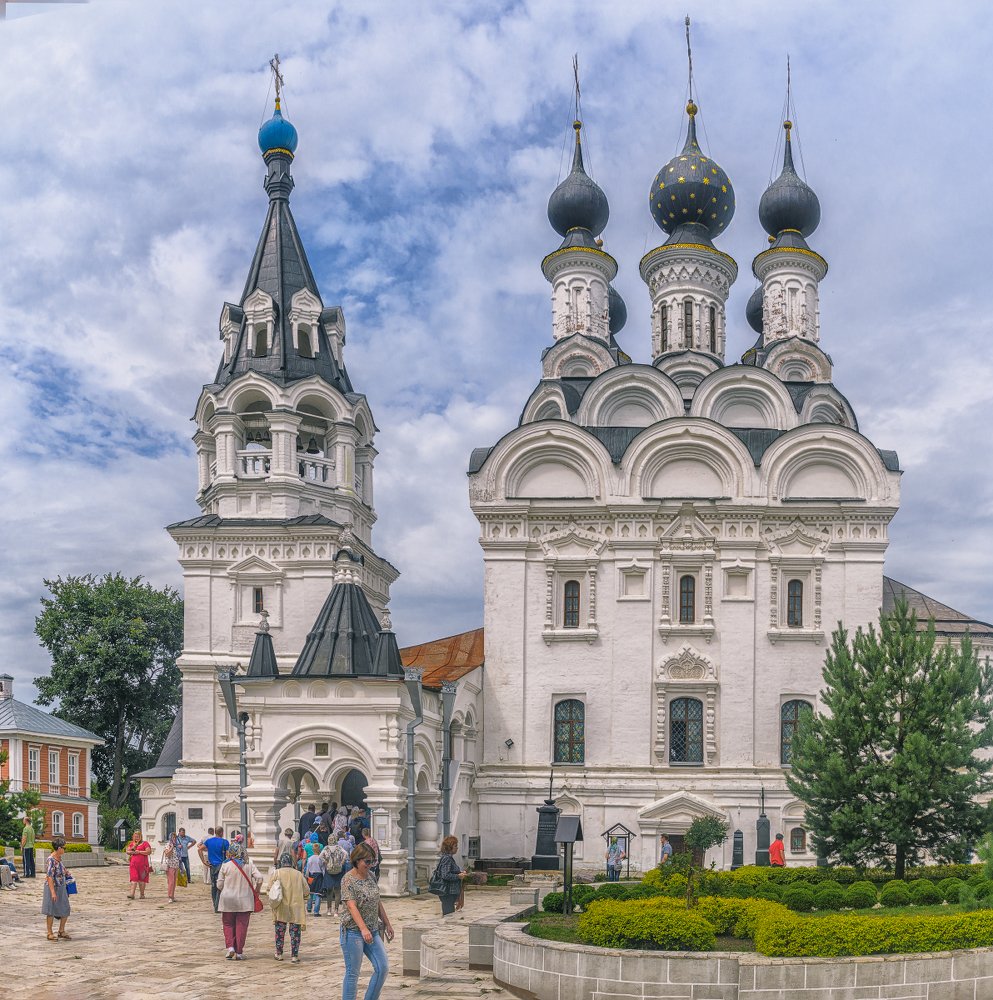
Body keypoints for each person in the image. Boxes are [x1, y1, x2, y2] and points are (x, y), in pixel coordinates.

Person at [340, 842, 394, 1000]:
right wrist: (363, 929)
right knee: (353, 973)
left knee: (382, 967)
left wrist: (387, 923)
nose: (370, 865)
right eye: (367, 861)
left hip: (373, 930)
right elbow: (351, 906)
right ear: (357, 860)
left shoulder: (370, 876)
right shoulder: (347, 880)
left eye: (373, 861)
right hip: (352, 933)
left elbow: (377, 901)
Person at [215, 842, 263, 960]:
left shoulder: (226, 865)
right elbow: (260, 878)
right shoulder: (249, 864)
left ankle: (230, 947)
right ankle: (239, 951)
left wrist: (225, 888)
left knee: (228, 924)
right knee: (242, 925)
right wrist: (256, 890)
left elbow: (219, 884)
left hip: (228, 899)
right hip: (245, 900)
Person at [265, 851, 309, 963]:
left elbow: (269, 889)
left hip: (281, 907)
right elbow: (306, 890)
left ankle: (279, 953)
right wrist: (304, 897)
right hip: (296, 907)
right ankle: (294, 955)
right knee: (295, 933)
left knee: (280, 932)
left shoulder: (276, 873)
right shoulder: (298, 874)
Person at [41, 836, 71, 941]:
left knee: (66, 908)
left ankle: (61, 931)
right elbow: (49, 876)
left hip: (61, 887)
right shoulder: (51, 860)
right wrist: (53, 892)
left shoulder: (59, 859)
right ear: (59, 848)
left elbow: (61, 870)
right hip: (52, 888)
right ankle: (49, 933)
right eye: (64, 848)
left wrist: (67, 873)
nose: (65, 849)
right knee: (51, 910)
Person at [432, 835, 468, 916]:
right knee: (448, 914)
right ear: (450, 847)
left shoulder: (448, 858)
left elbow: (449, 871)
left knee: (449, 912)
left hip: (449, 891)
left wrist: (459, 873)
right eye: (455, 846)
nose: (457, 848)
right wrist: (458, 876)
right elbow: (445, 875)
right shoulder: (447, 859)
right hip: (447, 891)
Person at [199, 827, 231, 912]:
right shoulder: (225, 842)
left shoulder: (209, 841)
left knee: (213, 886)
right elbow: (228, 855)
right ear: (221, 832)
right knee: (220, 885)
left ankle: (215, 905)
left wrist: (203, 861)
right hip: (222, 865)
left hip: (212, 865)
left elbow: (199, 849)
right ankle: (218, 905)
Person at [320, 837, 348, 916]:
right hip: (338, 871)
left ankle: (329, 909)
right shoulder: (339, 848)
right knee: (337, 891)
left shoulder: (326, 848)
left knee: (329, 890)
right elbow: (346, 853)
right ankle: (336, 910)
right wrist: (342, 862)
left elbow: (320, 856)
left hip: (329, 871)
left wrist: (326, 862)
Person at [126, 829, 152, 899]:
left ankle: (142, 894)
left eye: (138, 836)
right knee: (134, 879)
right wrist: (133, 848)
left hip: (143, 865)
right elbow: (128, 851)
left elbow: (148, 852)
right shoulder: (131, 844)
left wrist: (139, 852)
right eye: (135, 836)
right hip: (133, 865)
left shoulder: (145, 843)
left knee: (142, 880)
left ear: (141, 837)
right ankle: (132, 894)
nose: (136, 838)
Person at [304, 842, 325, 916]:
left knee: (311, 893)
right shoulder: (320, 858)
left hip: (311, 875)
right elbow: (323, 868)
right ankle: (316, 911)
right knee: (318, 894)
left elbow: (308, 868)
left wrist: (306, 876)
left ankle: (309, 907)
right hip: (319, 876)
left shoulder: (310, 858)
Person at [163, 831, 181, 902]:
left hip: (176, 865)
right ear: (170, 838)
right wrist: (172, 847)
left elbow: (179, 855)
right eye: (173, 837)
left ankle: (172, 896)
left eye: (175, 837)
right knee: (171, 882)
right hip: (170, 865)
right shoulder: (168, 845)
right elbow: (167, 854)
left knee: (174, 882)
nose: (174, 839)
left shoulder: (177, 845)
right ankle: (170, 896)